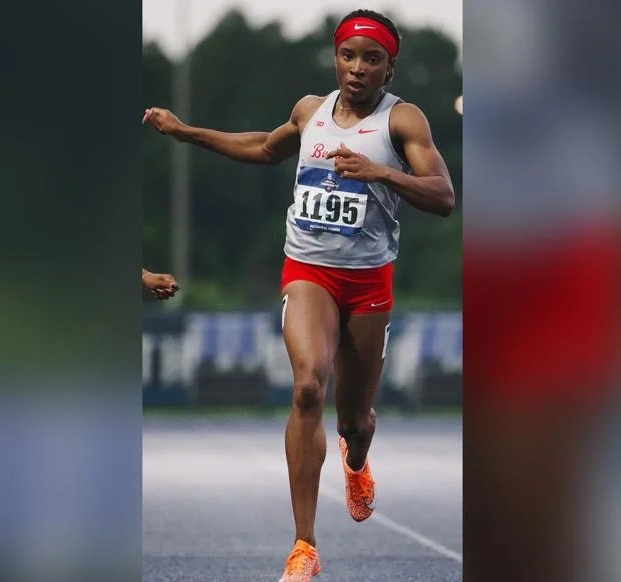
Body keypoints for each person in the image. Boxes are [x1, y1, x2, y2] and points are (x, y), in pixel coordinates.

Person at [143, 9, 454, 581]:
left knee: (354, 421)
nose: (358, 69)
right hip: (308, 269)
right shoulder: (309, 111)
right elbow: (264, 146)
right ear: (335, 57)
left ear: (390, 68)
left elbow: (443, 195)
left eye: (372, 59)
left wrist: (380, 174)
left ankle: (356, 462)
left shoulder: (402, 121)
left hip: (368, 281)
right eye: (348, 56)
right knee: (309, 387)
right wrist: (186, 132)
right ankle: (304, 545)